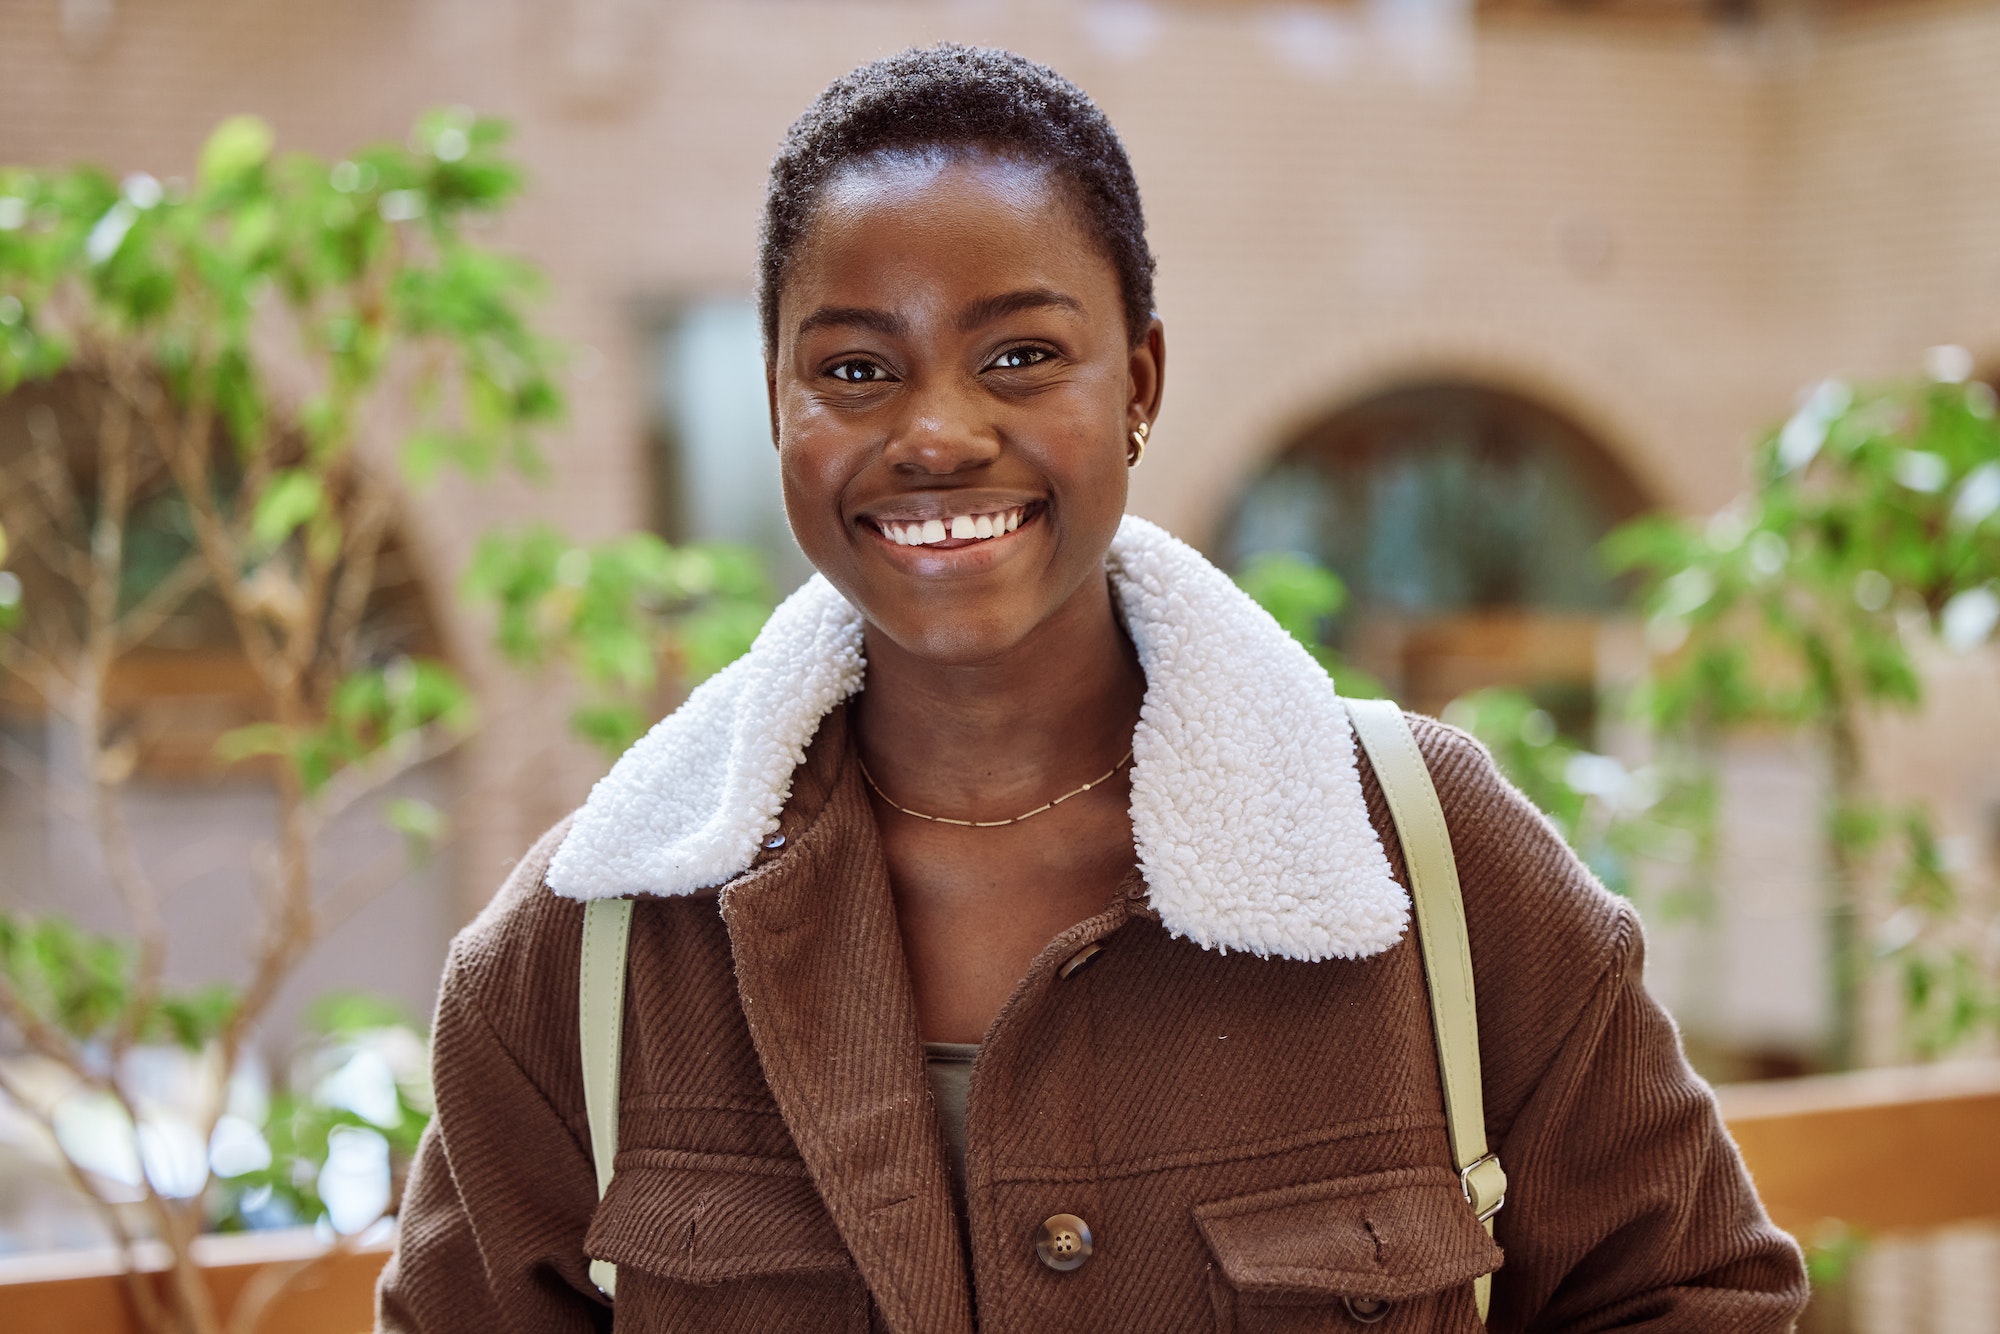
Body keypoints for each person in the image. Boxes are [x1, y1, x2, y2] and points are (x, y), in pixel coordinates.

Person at [379, 44, 1808, 1333]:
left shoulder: (1428, 860)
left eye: (1021, 355)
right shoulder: (586, 953)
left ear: (1140, 380)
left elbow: (1696, 1295)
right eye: (857, 368)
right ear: (776, 407)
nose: (938, 433)